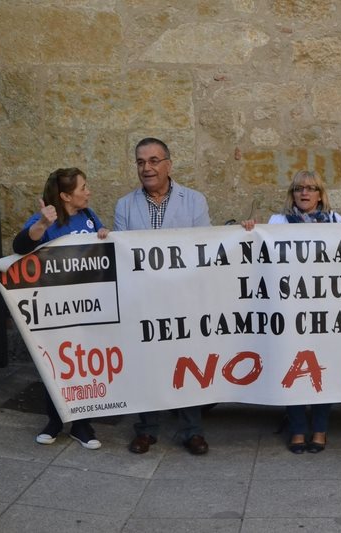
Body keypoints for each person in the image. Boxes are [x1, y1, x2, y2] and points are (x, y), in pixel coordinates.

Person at [243, 170, 341, 453]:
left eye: (311, 188)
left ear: (320, 194)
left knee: (323, 365)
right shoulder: (277, 222)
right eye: (299, 188)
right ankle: (297, 427)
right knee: (291, 364)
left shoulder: (336, 222)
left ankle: (319, 428)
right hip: (289, 308)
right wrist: (249, 229)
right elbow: (258, 249)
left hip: (324, 308)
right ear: (292, 194)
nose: (304, 193)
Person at [114, 137, 211, 455]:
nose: (147, 168)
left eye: (154, 160)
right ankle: (147, 428)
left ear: (169, 164)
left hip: (183, 298)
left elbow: (204, 250)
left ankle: (191, 430)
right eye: (141, 162)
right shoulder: (125, 205)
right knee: (146, 363)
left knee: (187, 361)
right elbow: (120, 255)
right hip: (143, 300)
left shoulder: (194, 201)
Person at [12, 167, 110, 449]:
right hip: (54, 306)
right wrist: (41, 225)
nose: (88, 191)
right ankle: (54, 421)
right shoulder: (46, 219)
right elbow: (20, 246)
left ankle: (82, 425)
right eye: (83, 188)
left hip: (88, 305)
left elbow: (100, 249)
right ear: (66, 195)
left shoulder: (90, 217)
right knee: (55, 365)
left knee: (86, 364)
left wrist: (103, 234)